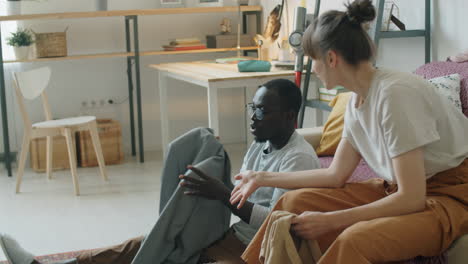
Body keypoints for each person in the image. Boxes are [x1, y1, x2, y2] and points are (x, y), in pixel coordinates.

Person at [230, 1, 468, 263]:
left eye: (313, 60)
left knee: (353, 239)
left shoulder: (395, 95)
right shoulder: (357, 101)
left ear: (331, 58)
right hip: (397, 189)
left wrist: (330, 221)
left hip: (448, 196)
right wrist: (262, 177)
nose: (315, 69)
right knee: (291, 204)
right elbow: (335, 175)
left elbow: (412, 198)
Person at [0, 78, 320, 264]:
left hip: (262, 252)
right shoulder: (260, 143)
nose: (254, 116)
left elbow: (281, 226)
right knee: (149, 242)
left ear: (290, 116)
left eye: (263, 110)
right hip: (235, 236)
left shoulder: (299, 161)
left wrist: (221, 194)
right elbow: (242, 191)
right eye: (253, 107)